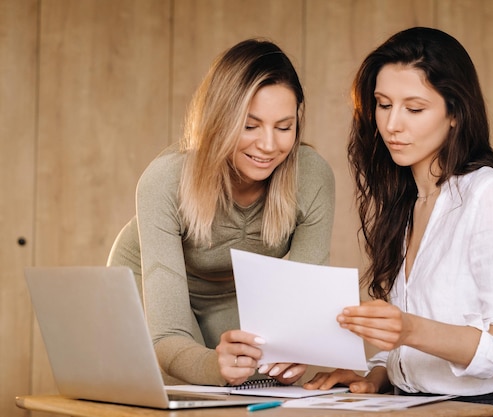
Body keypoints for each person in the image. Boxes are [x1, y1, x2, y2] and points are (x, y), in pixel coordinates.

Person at [304, 27, 493, 416]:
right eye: (383, 104)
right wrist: (378, 373)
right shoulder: (411, 202)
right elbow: (417, 341)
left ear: (455, 113)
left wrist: (409, 329)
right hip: (417, 405)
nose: (392, 125)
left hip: (486, 408)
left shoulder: (491, 195)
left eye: (414, 109)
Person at [107, 39, 335, 387]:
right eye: (249, 125)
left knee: (257, 375)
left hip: (232, 290)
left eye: (284, 127)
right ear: (219, 118)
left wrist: (297, 348)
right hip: (148, 276)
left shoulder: (311, 177)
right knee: (172, 373)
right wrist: (214, 367)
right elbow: (167, 333)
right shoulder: (165, 180)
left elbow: (302, 308)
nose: (269, 145)